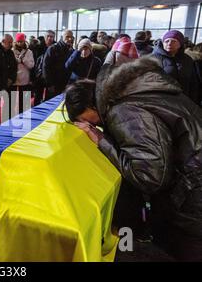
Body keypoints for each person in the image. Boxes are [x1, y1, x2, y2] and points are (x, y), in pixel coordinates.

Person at [64, 56, 202, 261]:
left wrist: (102, 140)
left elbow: (150, 176)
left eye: (86, 121)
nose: (91, 126)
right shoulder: (132, 91)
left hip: (191, 194)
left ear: (91, 107)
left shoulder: (124, 110)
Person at [152, 30, 200, 106]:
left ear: (180, 44)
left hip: (184, 102)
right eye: (167, 41)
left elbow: (193, 83)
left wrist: (193, 102)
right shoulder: (152, 59)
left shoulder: (188, 60)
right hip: (161, 103)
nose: (169, 43)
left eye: (174, 41)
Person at [42, 29, 75, 99]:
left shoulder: (72, 50)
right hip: (54, 85)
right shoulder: (53, 48)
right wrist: (50, 84)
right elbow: (45, 67)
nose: (69, 39)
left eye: (71, 37)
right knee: (51, 107)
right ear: (62, 37)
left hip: (66, 85)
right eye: (67, 36)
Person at [10, 33, 34, 115]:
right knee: (11, 102)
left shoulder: (29, 52)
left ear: (25, 41)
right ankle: (11, 118)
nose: (20, 43)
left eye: (22, 41)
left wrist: (23, 60)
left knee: (23, 102)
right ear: (15, 42)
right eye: (18, 41)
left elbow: (31, 65)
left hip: (25, 80)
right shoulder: (11, 52)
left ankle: (23, 117)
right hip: (13, 79)